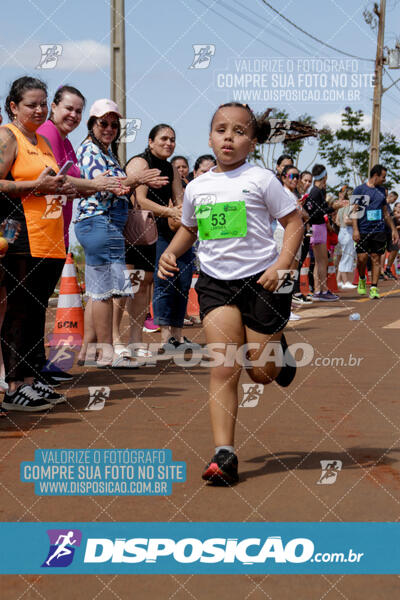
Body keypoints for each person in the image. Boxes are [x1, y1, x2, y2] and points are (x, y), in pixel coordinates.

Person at [158, 102, 303, 484]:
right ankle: (224, 455)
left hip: (263, 281)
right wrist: (171, 252)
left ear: (252, 142)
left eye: (239, 131)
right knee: (224, 367)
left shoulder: (262, 179)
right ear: (209, 137)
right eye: (221, 129)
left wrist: (281, 266)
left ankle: (279, 352)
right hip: (215, 283)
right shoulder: (198, 186)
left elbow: (293, 222)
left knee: (262, 372)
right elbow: (190, 228)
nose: (229, 137)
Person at [0, 76, 76, 411]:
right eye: (32, 104)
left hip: (47, 238)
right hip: (19, 234)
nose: (40, 109)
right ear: (14, 107)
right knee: (19, 311)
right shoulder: (8, 136)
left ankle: (32, 381)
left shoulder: (42, 141)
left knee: (35, 311)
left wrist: (67, 186)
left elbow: (47, 184)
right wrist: (35, 185)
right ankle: (15, 386)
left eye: (44, 103)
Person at [74, 99, 166, 367]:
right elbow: (105, 185)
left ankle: (89, 352)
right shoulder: (91, 151)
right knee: (106, 291)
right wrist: (138, 179)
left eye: (114, 124)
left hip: (106, 223)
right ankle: (106, 352)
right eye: (103, 122)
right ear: (92, 125)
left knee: (98, 291)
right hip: (99, 221)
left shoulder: (105, 150)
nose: (110, 128)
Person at [125, 123, 194, 352]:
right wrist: (169, 211)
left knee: (176, 279)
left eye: (172, 139)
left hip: (165, 232)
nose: (168, 143)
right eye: (163, 139)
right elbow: (140, 201)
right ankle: (155, 338)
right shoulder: (140, 163)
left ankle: (176, 336)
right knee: (148, 284)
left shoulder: (171, 169)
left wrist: (184, 213)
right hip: (140, 233)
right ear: (150, 141)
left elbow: (179, 199)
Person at [352, 164, 398, 299]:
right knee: (362, 259)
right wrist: (355, 229)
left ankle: (373, 287)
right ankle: (361, 278)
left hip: (379, 230)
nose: (384, 179)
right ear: (375, 176)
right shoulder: (359, 189)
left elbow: (385, 212)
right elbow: (354, 211)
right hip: (363, 230)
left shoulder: (382, 191)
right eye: (383, 177)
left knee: (376, 258)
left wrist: (394, 230)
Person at [304, 164, 346, 301]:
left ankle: (318, 290)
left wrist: (331, 207)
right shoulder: (315, 191)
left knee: (319, 261)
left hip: (318, 227)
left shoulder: (317, 191)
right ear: (325, 176)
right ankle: (322, 291)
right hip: (317, 227)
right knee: (322, 261)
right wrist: (333, 207)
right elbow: (315, 212)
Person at [336, 187, 356, 289]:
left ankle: (339, 280)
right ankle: (345, 282)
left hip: (342, 232)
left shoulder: (341, 207)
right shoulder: (350, 206)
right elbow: (346, 220)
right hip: (348, 232)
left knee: (343, 256)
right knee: (346, 257)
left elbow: (337, 222)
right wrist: (357, 223)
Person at [380, 190, 399, 280]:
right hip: (382, 230)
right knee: (382, 251)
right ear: (390, 196)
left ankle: (387, 268)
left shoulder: (388, 206)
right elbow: (385, 218)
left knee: (395, 248)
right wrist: (395, 217)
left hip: (389, 231)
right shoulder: (382, 205)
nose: (394, 201)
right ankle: (381, 271)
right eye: (394, 199)